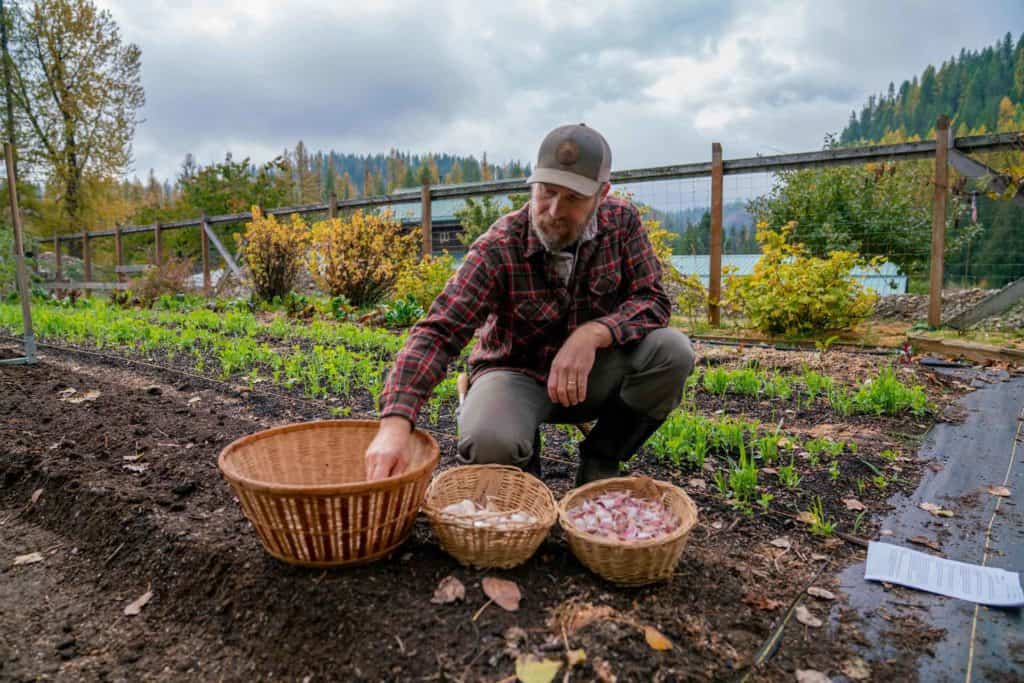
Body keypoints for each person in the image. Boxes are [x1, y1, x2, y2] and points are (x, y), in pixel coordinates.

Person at [365, 123, 695, 485]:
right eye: (547, 192)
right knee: (491, 442)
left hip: (590, 375)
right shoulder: (499, 246)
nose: (554, 210)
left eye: (573, 198)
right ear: (532, 182)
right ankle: (520, 463)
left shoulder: (622, 223)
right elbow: (439, 332)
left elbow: (653, 300)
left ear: (602, 194)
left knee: (673, 352)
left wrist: (594, 334)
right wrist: (395, 424)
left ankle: (602, 457)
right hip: (514, 373)